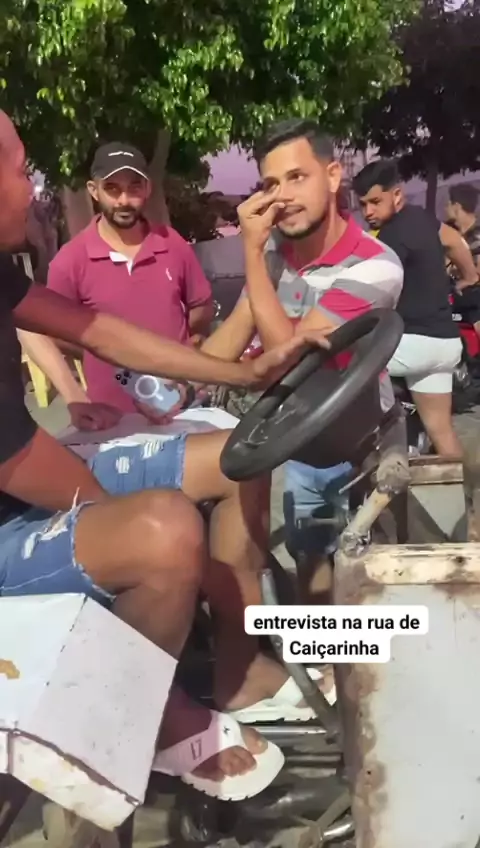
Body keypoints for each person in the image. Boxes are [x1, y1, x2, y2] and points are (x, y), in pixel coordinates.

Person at [0, 110, 332, 800]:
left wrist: (242, 373)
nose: (31, 186)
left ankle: (239, 665)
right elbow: (18, 461)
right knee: (164, 530)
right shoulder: (71, 255)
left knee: (241, 451)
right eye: (18, 167)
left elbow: (100, 331)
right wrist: (141, 528)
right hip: (10, 499)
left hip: (38, 459)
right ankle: (140, 718)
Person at [195, 119, 404, 607]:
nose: (283, 196)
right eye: (271, 184)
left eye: (297, 177)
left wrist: (250, 252)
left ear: (332, 176)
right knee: (310, 559)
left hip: (363, 442)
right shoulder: (275, 254)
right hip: (304, 439)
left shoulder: (376, 265)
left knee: (373, 575)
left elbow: (292, 361)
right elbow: (234, 333)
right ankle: (320, 650)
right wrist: (180, 378)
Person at [47, 142, 214, 416]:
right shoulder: (70, 260)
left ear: (147, 188)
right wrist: (103, 352)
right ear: (93, 190)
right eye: (112, 188)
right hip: (114, 418)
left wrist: (176, 348)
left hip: (181, 404)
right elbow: (56, 333)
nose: (124, 200)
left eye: (134, 187)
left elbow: (201, 307)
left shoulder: (172, 243)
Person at [352, 159, 479, 458]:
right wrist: (470, 276)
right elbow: (454, 241)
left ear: (396, 195)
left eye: (375, 202)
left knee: (343, 366)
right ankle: (460, 487)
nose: (368, 212)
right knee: (442, 431)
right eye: (363, 205)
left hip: (409, 347)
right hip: (445, 345)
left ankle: (379, 455)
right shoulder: (423, 218)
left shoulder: (390, 239)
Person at [445, 183, 480, 340]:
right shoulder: (451, 235)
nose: (445, 208)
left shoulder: (477, 235)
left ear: (456, 206)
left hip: (472, 296)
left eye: (448, 204)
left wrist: (458, 284)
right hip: (456, 296)